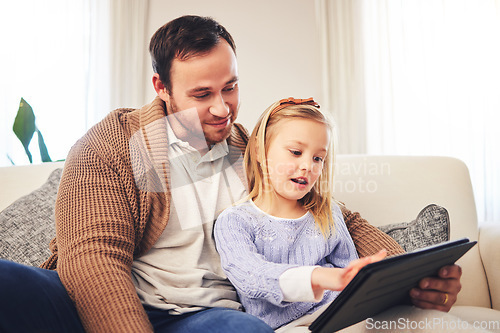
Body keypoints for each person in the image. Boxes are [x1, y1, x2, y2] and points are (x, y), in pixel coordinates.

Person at [0, 15, 462, 333]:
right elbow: (95, 258)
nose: (222, 109)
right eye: (202, 94)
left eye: (231, 86)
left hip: (200, 317)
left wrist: (410, 275)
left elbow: (335, 213)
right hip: (100, 301)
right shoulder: (125, 144)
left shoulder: (250, 149)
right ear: (161, 87)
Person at [214, 97, 387, 329]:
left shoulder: (327, 212)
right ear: (259, 151)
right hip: (284, 326)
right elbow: (250, 276)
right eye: (296, 152)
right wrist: (318, 277)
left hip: (337, 313)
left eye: (318, 158)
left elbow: (349, 271)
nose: (308, 165)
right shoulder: (235, 221)